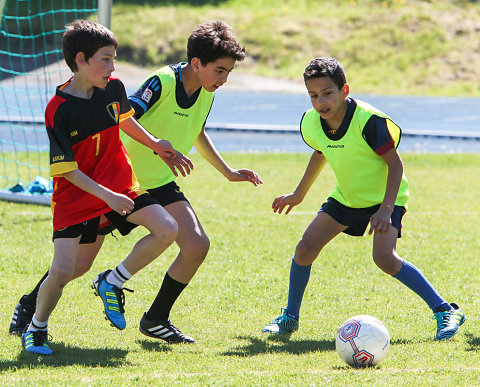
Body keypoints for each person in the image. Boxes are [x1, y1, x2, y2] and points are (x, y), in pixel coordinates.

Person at [10, 20, 262, 345]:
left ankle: (146, 311)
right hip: (109, 185)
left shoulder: (196, 91)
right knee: (75, 265)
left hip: (142, 183)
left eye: (228, 72)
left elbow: (167, 125)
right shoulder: (159, 82)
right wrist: (123, 170)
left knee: (190, 241)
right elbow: (122, 120)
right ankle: (31, 309)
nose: (224, 79)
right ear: (197, 63)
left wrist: (221, 169)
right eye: (220, 71)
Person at [19, 19, 192, 355]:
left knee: (167, 228)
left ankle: (112, 280)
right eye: (106, 59)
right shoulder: (59, 110)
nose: (113, 66)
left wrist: (156, 143)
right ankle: (36, 326)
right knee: (69, 269)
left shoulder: (113, 88)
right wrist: (107, 196)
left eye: (114, 58)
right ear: (81, 60)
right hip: (78, 197)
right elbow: (66, 170)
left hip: (121, 186)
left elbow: (125, 118)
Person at [262, 57, 465, 341]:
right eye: (313, 95)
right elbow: (320, 152)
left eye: (327, 93)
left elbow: (396, 166)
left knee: (384, 258)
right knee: (305, 248)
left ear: (345, 90)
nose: (320, 102)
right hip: (347, 197)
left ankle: (445, 310)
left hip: (386, 199)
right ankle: (289, 318)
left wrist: (385, 210)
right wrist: (298, 194)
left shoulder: (368, 122)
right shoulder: (312, 123)